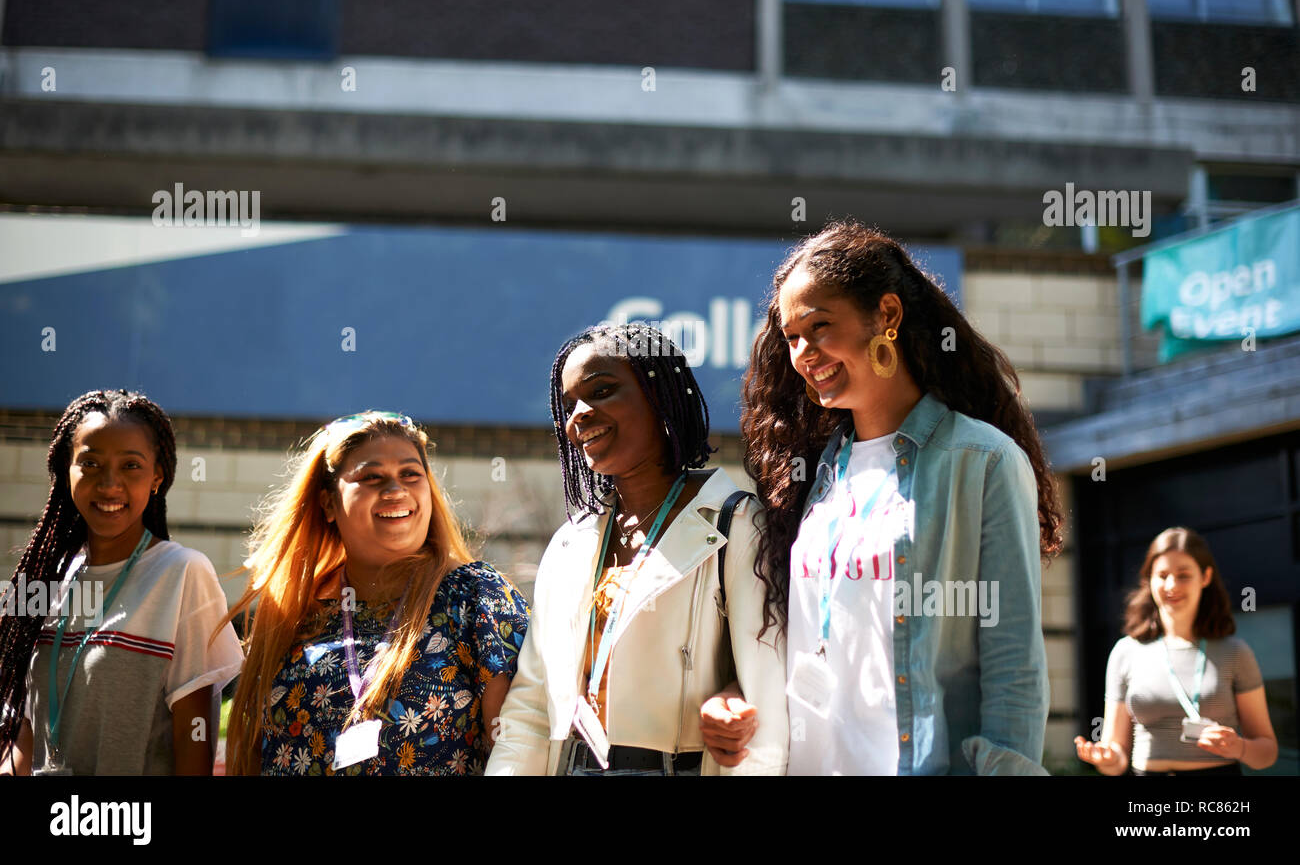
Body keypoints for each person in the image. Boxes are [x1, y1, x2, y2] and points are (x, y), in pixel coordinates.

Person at [703, 220, 1062, 775]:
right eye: (791, 336)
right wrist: (734, 690)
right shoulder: (816, 474)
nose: (802, 354)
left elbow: (1013, 664)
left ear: (888, 316)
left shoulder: (981, 461)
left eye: (819, 327)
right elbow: (807, 635)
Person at [486, 323, 787, 776]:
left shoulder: (739, 525)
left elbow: (764, 714)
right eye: (569, 406)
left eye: (602, 391)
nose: (579, 415)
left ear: (661, 397)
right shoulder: (571, 542)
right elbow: (530, 708)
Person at [221, 411, 529, 776]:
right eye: (372, 477)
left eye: (410, 474)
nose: (396, 490)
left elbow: (518, 749)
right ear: (329, 504)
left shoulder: (477, 598)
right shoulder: (294, 613)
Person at [0, 389, 243, 775]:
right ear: (68, 470)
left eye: (130, 466)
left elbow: (194, 738)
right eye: (91, 463)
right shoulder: (46, 580)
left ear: (156, 477)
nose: (109, 484)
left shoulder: (182, 573)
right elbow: (26, 733)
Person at [1075, 527, 1277, 776]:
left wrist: (1239, 747)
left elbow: (1267, 753)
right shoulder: (1125, 652)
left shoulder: (1235, 652)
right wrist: (1104, 758)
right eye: (1162, 575)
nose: (1171, 585)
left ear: (1205, 577)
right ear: (1149, 580)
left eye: (1183, 575)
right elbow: (1117, 759)